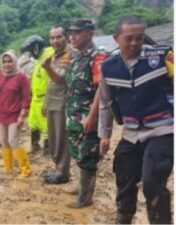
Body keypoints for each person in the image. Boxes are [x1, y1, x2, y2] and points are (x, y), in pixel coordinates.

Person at [99, 16, 173, 224]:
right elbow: (106, 102)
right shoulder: (109, 67)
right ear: (116, 39)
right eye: (128, 38)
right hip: (131, 133)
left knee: (152, 181)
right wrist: (104, 135)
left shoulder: (161, 57)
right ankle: (124, 217)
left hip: (163, 129)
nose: (134, 43)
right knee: (123, 175)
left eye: (139, 38)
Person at [64, 19, 106, 208]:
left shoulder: (97, 56)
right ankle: (81, 186)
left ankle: (85, 197)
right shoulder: (76, 57)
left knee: (88, 154)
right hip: (74, 115)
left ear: (90, 34)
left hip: (87, 115)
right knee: (77, 151)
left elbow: (102, 87)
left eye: (77, 33)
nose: (72, 37)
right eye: (71, 33)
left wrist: (93, 115)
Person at [0, 51, 31, 177]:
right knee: (4, 142)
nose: (7, 64)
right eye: (4, 62)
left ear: (14, 62)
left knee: (13, 141)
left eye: (10, 61)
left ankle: (25, 169)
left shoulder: (21, 77)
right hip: (2, 115)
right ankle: (8, 169)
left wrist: (22, 115)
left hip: (15, 115)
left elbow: (26, 98)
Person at [40, 25, 72, 184]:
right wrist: (45, 102)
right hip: (52, 101)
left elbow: (60, 78)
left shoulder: (69, 54)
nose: (55, 40)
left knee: (61, 138)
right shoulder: (54, 55)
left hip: (62, 102)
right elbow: (50, 83)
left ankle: (62, 172)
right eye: (52, 38)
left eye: (58, 37)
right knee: (54, 138)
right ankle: (57, 167)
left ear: (66, 37)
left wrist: (47, 68)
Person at [18, 35, 51, 155]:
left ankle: (48, 148)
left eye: (30, 51)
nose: (30, 54)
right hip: (35, 98)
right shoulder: (37, 61)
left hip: (45, 97)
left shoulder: (48, 57)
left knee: (46, 125)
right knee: (33, 123)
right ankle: (35, 145)